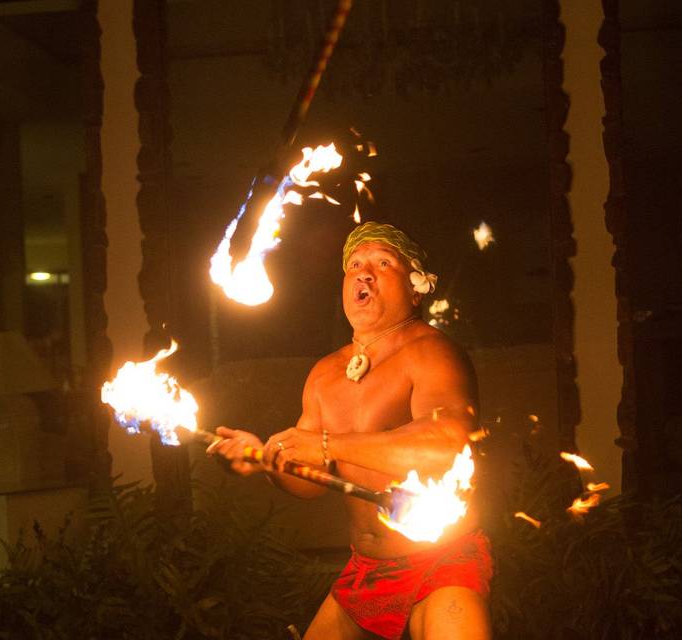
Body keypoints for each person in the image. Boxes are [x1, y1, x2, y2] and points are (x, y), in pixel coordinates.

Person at [207, 222, 492, 640]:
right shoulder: (325, 374)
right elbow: (310, 482)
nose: (365, 272)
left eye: (383, 262)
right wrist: (263, 459)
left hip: (442, 560)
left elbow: (447, 447)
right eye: (355, 264)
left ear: (415, 287)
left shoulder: (431, 351)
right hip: (368, 570)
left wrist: (324, 443)